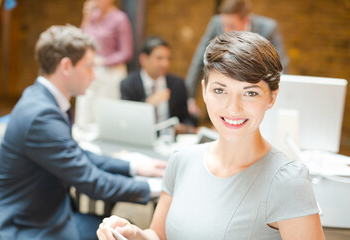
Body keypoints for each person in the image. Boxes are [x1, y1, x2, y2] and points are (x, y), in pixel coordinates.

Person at [96, 31, 325, 240]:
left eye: (250, 93)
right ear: (204, 90)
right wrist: (134, 233)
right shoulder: (181, 161)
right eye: (220, 90)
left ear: (272, 97)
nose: (233, 108)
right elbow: (159, 234)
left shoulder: (288, 180)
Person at [0, 25, 166, 240]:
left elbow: (76, 152)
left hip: (42, 210)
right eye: (89, 67)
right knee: (124, 234)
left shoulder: (42, 98)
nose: (94, 76)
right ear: (66, 66)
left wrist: (134, 167)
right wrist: (158, 189)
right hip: (23, 223)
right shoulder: (41, 115)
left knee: (118, 228)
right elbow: (92, 182)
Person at [186, 0, 289, 117]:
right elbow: (199, 59)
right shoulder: (215, 23)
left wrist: (278, 104)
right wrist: (189, 98)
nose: (226, 30)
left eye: (232, 26)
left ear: (246, 20)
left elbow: (281, 67)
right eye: (224, 25)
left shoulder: (268, 29)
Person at [120, 36, 195, 135]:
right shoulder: (128, 84)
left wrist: (183, 127)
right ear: (144, 59)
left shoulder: (178, 84)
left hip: (169, 140)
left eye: (168, 59)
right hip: (139, 136)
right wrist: (149, 103)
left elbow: (186, 119)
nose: (165, 63)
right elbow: (125, 120)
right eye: (159, 58)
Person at [76, 0, 133, 127]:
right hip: (90, 71)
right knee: (85, 112)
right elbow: (80, 42)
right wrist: (86, 17)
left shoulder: (120, 18)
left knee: (104, 116)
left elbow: (126, 52)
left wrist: (103, 61)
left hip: (110, 74)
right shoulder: (93, 16)